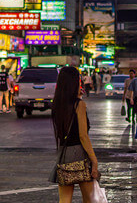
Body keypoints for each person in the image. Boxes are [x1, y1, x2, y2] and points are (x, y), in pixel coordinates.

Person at [49, 67, 99, 202]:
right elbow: (83, 135)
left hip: (64, 154)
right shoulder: (79, 105)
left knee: (64, 200)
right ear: (74, 83)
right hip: (80, 155)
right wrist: (94, 160)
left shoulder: (57, 104)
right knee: (90, 199)